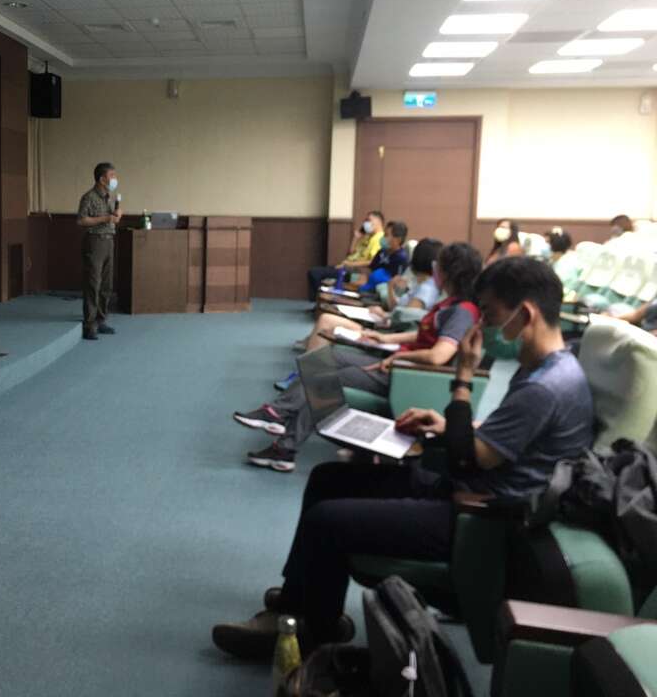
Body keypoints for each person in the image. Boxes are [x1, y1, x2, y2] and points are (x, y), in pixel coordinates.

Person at [212, 257, 594, 659]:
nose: (483, 326)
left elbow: (468, 460)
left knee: (328, 520)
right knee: (328, 478)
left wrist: (463, 379)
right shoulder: (551, 368)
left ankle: (311, 629)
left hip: (479, 516)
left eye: (491, 314)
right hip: (469, 488)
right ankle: (301, 601)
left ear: (526, 314)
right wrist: (446, 426)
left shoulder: (543, 387)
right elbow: (506, 439)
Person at [237, 242, 482, 472]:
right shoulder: (450, 304)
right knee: (323, 359)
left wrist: (396, 359)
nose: (434, 269)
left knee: (323, 381)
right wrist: (384, 337)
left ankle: (284, 449)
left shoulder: (463, 312)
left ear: (450, 272)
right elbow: (421, 335)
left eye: (439, 265)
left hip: (408, 375)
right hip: (400, 363)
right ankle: (278, 413)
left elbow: (438, 356)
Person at [293, 238, 441, 355]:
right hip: (386, 325)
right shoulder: (420, 284)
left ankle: (306, 370)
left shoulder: (426, 290)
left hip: (386, 333)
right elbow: (399, 312)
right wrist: (390, 289)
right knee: (328, 319)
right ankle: (309, 355)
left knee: (326, 320)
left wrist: (384, 315)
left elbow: (402, 321)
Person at [77, 163, 122, 340]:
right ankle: (89, 324)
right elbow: (81, 220)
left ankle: (101, 320)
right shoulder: (89, 197)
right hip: (95, 242)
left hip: (109, 241)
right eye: (112, 176)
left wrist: (117, 215)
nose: (115, 179)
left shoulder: (109, 197)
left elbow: (110, 219)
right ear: (102, 179)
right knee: (93, 284)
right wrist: (106, 218)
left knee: (106, 285)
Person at [306, 211, 385, 299]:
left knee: (315, 273)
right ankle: (318, 300)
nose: (365, 223)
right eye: (365, 220)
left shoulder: (379, 239)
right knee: (318, 272)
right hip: (346, 265)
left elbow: (372, 261)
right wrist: (355, 238)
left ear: (378, 222)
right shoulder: (368, 237)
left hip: (355, 271)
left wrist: (350, 264)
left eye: (369, 220)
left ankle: (318, 300)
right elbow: (351, 253)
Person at [357, 220, 409, 292]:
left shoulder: (401, 258)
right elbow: (370, 269)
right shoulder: (382, 252)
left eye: (386, 235)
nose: (383, 238)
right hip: (368, 288)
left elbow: (398, 285)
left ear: (398, 240)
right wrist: (363, 276)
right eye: (384, 234)